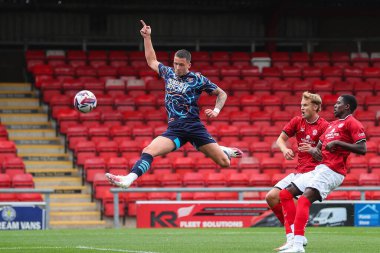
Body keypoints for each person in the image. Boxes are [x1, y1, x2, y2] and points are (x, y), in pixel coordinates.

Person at [105, 20, 243, 188]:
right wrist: (147, 37)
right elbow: (152, 61)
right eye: (175, 63)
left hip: (193, 127)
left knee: (224, 163)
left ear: (189, 65)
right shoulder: (169, 73)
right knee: (149, 150)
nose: (177, 67)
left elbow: (222, 93)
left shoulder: (198, 79)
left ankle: (223, 150)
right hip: (175, 129)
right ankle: (129, 179)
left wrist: (216, 110)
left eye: (181, 65)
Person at [279, 95, 367, 253]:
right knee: (285, 194)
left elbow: (362, 148)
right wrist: (313, 150)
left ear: (347, 107)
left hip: (333, 170)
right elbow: (318, 150)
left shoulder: (351, 122)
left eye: (339, 103)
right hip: (320, 168)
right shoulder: (332, 125)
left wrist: (338, 143)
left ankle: (298, 246)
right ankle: (294, 237)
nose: (334, 105)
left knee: (304, 200)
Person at [265, 92, 329, 251]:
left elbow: (328, 156)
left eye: (305, 105)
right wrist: (284, 149)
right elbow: (280, 139)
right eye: (301, 105)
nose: (302, 108)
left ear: (315, 107)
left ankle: (293, 239)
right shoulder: (297, 121)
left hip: (314, 174)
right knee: (271, 197)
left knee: (287, 197)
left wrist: (314, 150)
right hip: (299, 172)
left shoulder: (324, 126)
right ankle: (294, 234)